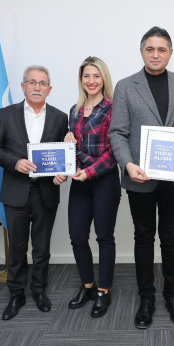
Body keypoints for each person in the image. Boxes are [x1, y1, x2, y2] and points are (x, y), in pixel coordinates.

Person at [109, 26, 174, 329]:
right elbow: (118, 133)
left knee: (171, 237)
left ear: (170, 53)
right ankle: (146, 298)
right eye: (150, 49)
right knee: (144, 237)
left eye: (162, 49)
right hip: (140, 178)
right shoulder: (125, 86)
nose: (156, 54)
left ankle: (172, 296)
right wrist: (127, 164)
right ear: (141, 52)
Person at [0, 65, 69, 320]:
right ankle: (16, 294)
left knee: (42, 248)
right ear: (23, 86)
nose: (37, 87)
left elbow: (64, 155)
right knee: (17, 247)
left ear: (49, 89)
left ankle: (39, 290)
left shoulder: (60, 117)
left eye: (42, 83)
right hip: (15, 192)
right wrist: (15, 162)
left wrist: (63, 173)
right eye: (32, 82)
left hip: (46, 193)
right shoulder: (6, 114)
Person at [63, 56, 120, 318]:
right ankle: (88, 286)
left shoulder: (113, 109)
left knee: (104, 237)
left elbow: (113, 152)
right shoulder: (74, 111)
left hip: (104, 182)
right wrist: (69, 153)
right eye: (87, 75)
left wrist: (88, 170)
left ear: (103, 79)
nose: (91, 81)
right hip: (80, 183)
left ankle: (103, 291)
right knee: (77, 237)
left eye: (96, 75)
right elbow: (73, 152)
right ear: (81, 79)